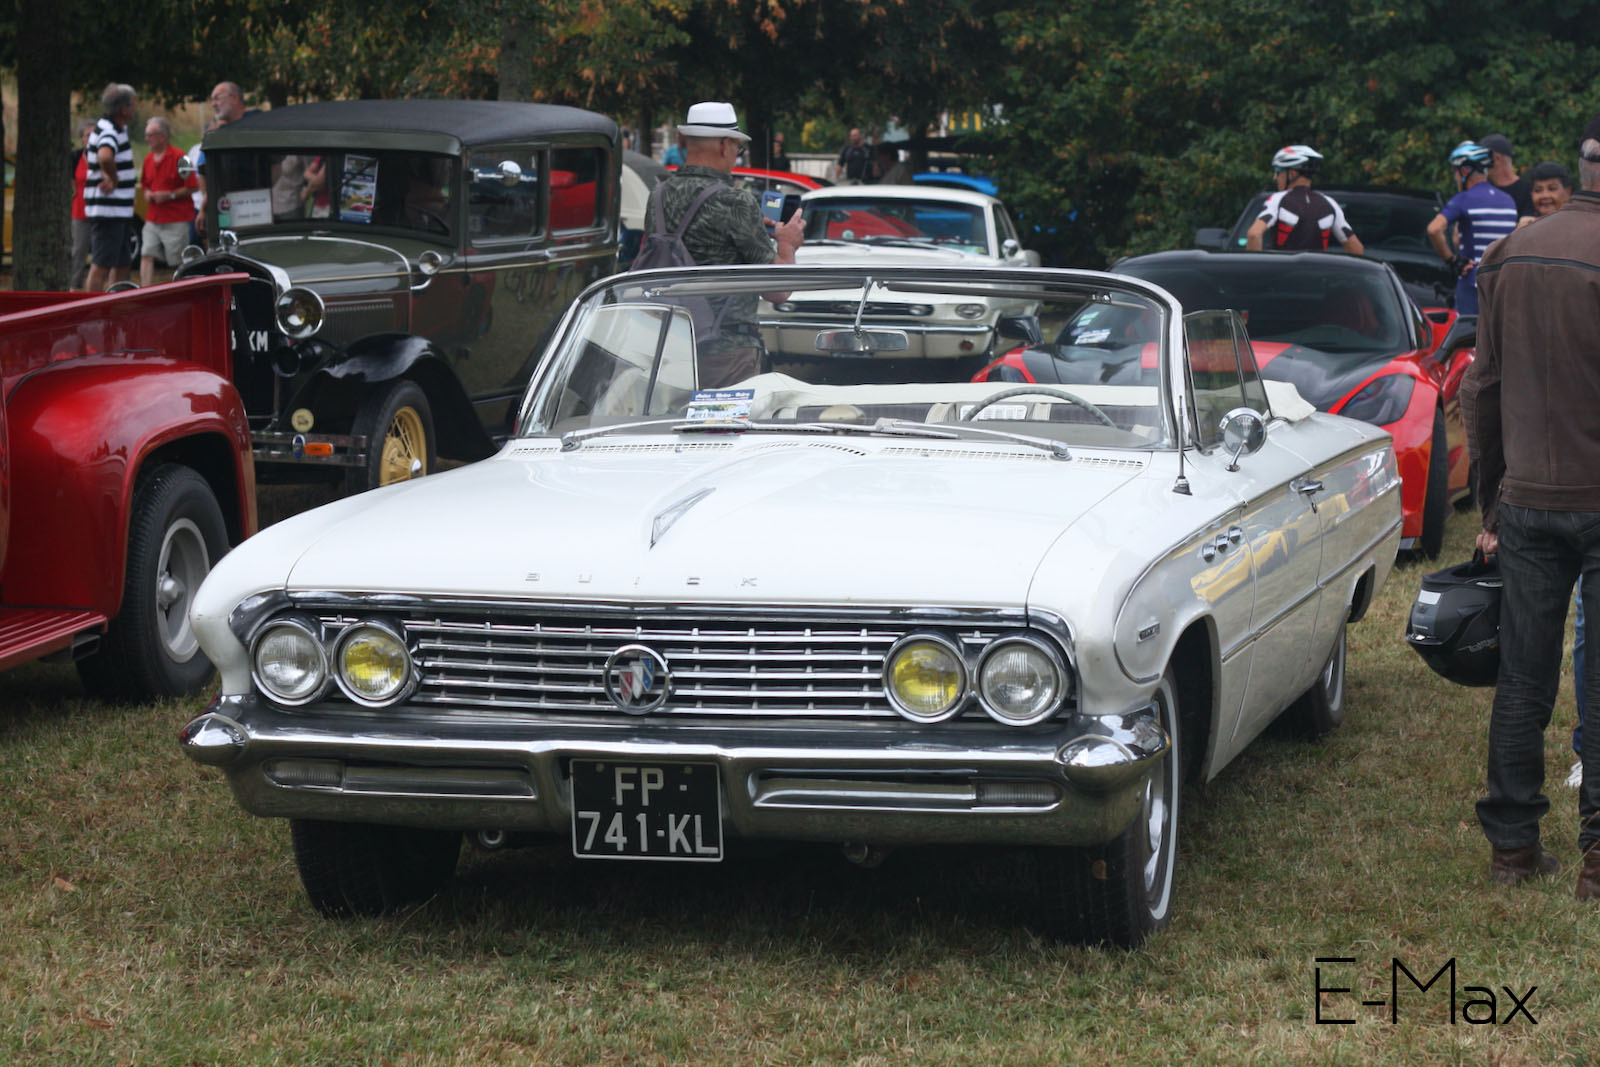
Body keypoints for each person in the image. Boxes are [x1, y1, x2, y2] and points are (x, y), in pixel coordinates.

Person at [1459, 111, 1600, 902]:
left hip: (1528, 499)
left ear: (1581, 170)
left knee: (1523, 679)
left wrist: (1491, 502)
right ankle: (1597, 860)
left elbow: (1483, 389)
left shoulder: (1512, 249)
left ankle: (1513, 849)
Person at [654, 101, 803, 386]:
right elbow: (778, 291)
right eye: (738, 148)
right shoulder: (735, 201)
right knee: (722, 430)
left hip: (668, 346)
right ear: (724, 144)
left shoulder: (658, 195)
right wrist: (787, 244)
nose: (737, 156)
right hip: (726, 352)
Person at [1427, 141, 1518, 316]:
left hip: (1473, 282)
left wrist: (1452, 260)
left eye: (1455, 172)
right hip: (1504, 283)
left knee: (1469, 337)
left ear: (1465, 171)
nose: (1455, 177)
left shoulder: (1463, 199)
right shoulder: (1508, 200)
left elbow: (1434, 229)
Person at [1245, 145, 1364, 254]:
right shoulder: (1329, 203)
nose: (1275, 177)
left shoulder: (1278, 199)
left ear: (1291, 174)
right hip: (1317, 276)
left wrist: (1256, 272)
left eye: (1278, 171)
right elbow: (1357, 249)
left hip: (1281, 274)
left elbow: (1254, 234)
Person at [84, 83, 139, 292]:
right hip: (109, 211)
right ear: (124, 109)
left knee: (122, 262)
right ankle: (92, 314)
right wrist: (114, 179)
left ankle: (113, 305)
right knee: (101, 265)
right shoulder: (109, 130)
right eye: (133, 104)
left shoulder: (116, 128)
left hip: (119, 211)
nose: (136, 108)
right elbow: (105, 155)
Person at [137, 117, 198, 287]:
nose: (146, 139)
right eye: (146, 135)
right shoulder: (148, 159)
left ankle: (178, 291)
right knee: (146, 254)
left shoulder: (180, 157)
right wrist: (148, 193)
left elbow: (193, 187)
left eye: (150, 135)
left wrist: (170, 195)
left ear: (163, 136)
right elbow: (144, 185)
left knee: (177, 260)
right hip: (153, 217)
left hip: (176, 218)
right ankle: (145, 291)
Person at [1480, 133, 1536, 221]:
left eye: (1481, 158)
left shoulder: (1529, 191)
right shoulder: (1482, 189)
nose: (1479, 163)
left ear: (1497, 158)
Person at [69, 120, 95, 290]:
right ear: (82, 139)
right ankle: (74, 285)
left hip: (101, 212)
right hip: (80, 212)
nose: (92, 138)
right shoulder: (76, 157)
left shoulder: (105, 155)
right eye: (88, 135)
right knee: (79, 251)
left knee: (101, 254)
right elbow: (71, 182)